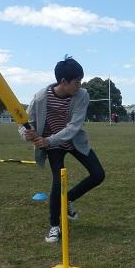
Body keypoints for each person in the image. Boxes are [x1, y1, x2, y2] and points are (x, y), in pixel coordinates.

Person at [19, 56, 106, 243]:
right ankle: (54, 225)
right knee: (58, 181)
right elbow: (24, 124)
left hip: (72, 141)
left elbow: (74, 126)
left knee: (98, 174)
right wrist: (27, 134)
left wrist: (49, 140)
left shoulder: (82, 95)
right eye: (77, 82)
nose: (80, 85)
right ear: (64, 81)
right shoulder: (41, 97)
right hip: (53, 146)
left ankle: (67, 199)